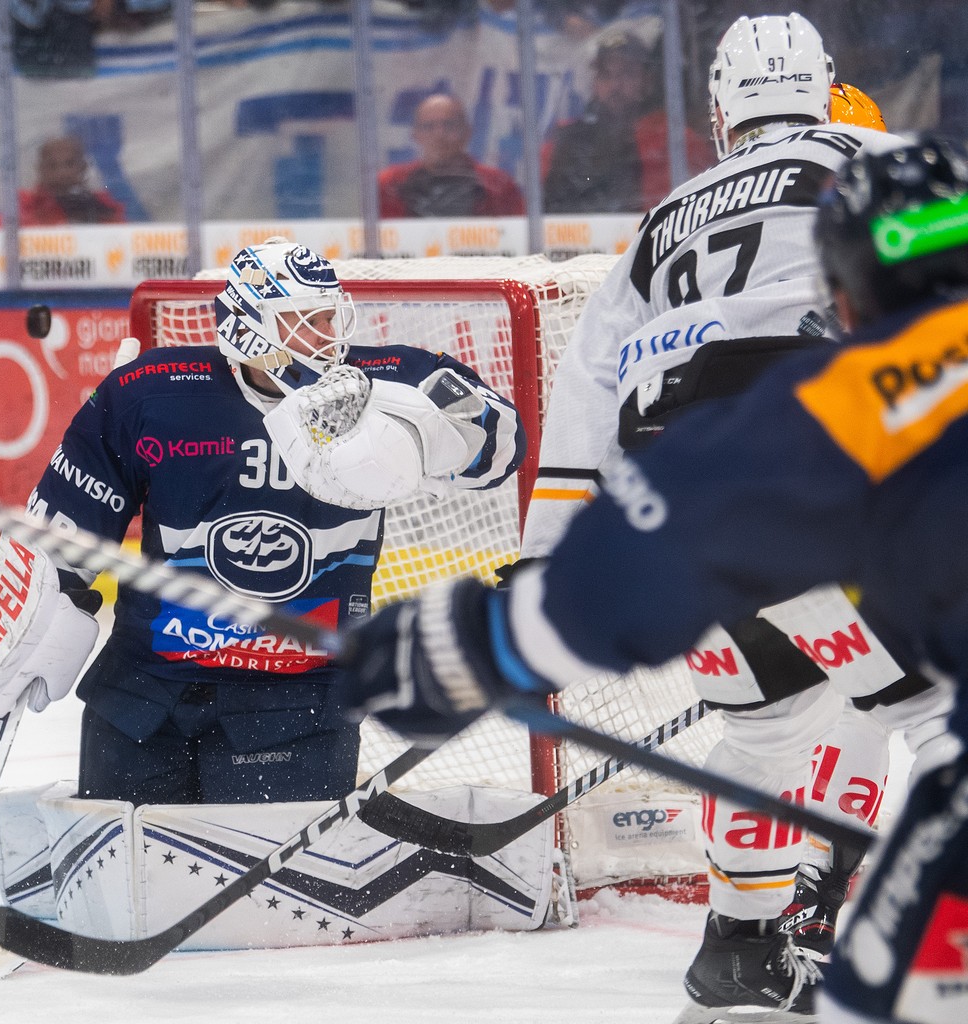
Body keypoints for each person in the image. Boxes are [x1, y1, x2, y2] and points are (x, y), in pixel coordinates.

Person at [338, 132, 968, 1024]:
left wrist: (482, 640)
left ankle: (745, 943)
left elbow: (678, 528)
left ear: (846, 294)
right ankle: (744, 948)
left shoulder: (873, 393)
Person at [513, 13, 949, 1022]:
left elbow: (584, 389)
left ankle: (739, 952)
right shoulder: (875, 155)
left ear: (721, 112)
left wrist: (544, 556)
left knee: (772, 719)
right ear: (826, 89)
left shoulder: (664, 215)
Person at [0, 236, 523, 807]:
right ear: (250, 327)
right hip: (145, 693)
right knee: (126, 890)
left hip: (299, 701)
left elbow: (502, 447)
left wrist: (409, 426)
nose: (329, 338)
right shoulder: (151, 393)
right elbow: (67, 526)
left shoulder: (391, 379)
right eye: (305, 320)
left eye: (330, 317)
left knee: (273, 903)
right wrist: (32, 617)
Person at [542, 29, 715, 213]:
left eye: (627, 73)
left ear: (647, 80)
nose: (615, 85)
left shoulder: (676, 140)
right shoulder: (567, 139)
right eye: (606, 74)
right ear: (595, 82)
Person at [378, 93, 525, 218]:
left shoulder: (498, 186)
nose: (439, 135)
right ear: (415, 135)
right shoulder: (390, 184)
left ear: (467, 132)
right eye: (428, 127)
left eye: (449, 125)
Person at [0, 135, 126, 227]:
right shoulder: (20, 206)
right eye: (52, 165)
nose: (62, 173)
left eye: (70, 164)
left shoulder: (103, 208)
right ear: (40, 169)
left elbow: (122, 243)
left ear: (83, 167)